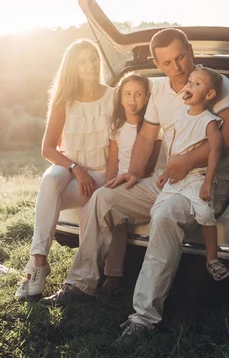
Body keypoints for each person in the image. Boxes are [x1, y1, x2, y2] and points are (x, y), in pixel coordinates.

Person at [40, 28, 229, 343]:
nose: (177, 68)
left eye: (181, 57)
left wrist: (186, 162)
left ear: (191, 51)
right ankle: (81, 286)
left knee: (164, 217)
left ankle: (143, 319)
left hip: (203, 185)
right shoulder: (160, 89)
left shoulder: (215, 82)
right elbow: (148, 136)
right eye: (167, 62)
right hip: (165, 180)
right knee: (102, 198)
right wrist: (134, 173)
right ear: (157, 63)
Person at [15, 39, 114, 300]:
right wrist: (74, 167)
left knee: (51, 193)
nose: (90, 64)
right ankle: (38, 262)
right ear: (73, 67)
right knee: (49, 183)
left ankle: (32, 272)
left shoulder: (113, 96)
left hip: (100, 174)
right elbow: (48, 149)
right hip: (70, 169)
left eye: (93, 58)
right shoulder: (64, 100)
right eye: (82, 61)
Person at [154, 66, 229, 282]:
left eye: (197, 84)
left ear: (209, 95)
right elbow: (175, 148)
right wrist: (166, 173)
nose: (189, 86)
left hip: (197, 176)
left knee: (206, 214)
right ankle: (162, 255)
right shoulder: (179, 115)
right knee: (157, 212)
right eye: (189, 82)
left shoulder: (209, 121)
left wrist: (207, 182)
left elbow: (215, 151)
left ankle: (212, 259)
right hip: (177, 177)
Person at [97, 72, 162, 301]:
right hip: (120, 181)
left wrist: (129, 180)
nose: (132, 100)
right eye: (127, 94)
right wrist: (109, 182)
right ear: (120, 98)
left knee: (117, 215)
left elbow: (150, 164)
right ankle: (104, 272)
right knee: (111, 216)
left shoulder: (153, 127)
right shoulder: (116, 127)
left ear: (146, 99)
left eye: (138, 95)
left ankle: (113, 276)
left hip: (142, 181)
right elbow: (113, 160)